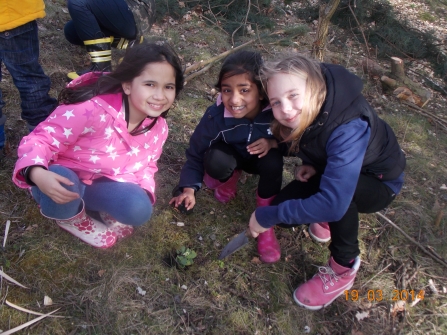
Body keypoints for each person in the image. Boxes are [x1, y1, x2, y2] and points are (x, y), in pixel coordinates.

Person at [248, 54, 406, 309]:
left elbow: (334, 201)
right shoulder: (314, 108)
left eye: (293, 95)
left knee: (338, 199)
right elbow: (313, 139)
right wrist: (310, 162)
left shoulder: (349, 125)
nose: (285, 109)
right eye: (276, 101)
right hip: (339, 172)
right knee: (288, 210)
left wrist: (267, 216)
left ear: (315, 87)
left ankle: (343, 268)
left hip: (379, 183)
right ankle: (324, 215)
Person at [12, 42, 184, 248]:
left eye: (168, 87)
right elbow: (40, 139)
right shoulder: (90, 109)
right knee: (64, 178)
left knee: (139, 208)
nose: (160, 95)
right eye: (150, 84)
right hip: (58, 180)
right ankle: (72, 218)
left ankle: (98, 204)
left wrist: (141, 192)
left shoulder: (159, 128)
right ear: (127, 85)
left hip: (101, 183)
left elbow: (148, 166)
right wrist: (37, 173)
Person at [170, 50, 284, 263]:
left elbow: (294, 140)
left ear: (261, 91)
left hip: (261, 159)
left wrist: (273, 142)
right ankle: (228, 180)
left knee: (274, 162)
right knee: (215, 161)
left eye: (244, 90)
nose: (234, 99)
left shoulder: (276, 112)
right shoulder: (216, 116)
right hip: (232, 155)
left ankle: (265, 221)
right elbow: (195, 153)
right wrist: (189, 188)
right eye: (226, 90)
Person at [0, 0, 58, 159]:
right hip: (14, 13)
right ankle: (42, 147)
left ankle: (41, 145)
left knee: (30, 81)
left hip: (12, 14)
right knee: (29, 80)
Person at [64, 0, 156, 80]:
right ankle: (134, 43)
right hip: (124, 9)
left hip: (137, 10)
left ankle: (101, 69)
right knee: (72, 32)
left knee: (77, 2)